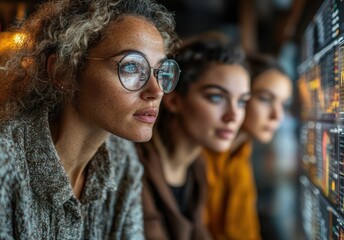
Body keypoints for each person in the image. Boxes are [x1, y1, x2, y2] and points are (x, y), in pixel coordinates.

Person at [0, 0, 180, 239]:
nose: (156, 90)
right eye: (131, 68)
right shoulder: (6, 161)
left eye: (161, 71)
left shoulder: (123, 161)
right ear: (63, 71)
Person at [135, 37, 251, 239]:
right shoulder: (134, 165)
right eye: (216, 97)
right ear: (174, 100)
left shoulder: (198, 167)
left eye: (241, 102)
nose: (233, 116)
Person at [203, 53, 293, 240]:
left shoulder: (240, 153)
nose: (277, 115)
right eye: (265, 99)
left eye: (283, 104)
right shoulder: (201, 156)